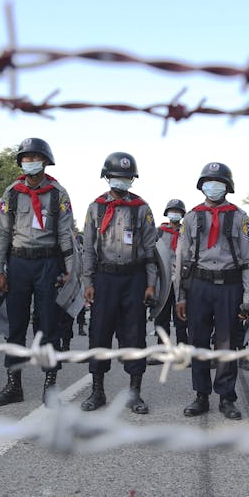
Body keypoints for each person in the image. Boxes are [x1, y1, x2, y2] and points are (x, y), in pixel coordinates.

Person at [0, 138, 75, 407]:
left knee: (48, 326)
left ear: (46, 161)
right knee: (15, 327)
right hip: (18, 264)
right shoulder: (11, 193)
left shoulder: (58, 194)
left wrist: (70, 269)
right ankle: (14, 384)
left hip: (48, 264)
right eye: (26, 157)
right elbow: (1, 234)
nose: (30, 161)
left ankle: (50, 385)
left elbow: (65, 233)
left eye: (35, 157)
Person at [174, 162, 249, 420]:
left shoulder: (240, 216)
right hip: (199, 285)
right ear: (201, 186)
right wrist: (181, 296)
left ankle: (226, 397)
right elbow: (181, 259)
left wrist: (247, 298)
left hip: (229, 286)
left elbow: (247, 260)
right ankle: (201, 395)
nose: (213, 187)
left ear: (228, 187)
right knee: (198, 341)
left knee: (227, 343)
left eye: (219, 182)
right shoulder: (190, 217)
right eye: (208, 182)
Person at [81, 152, 157, 415]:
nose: (121, 181)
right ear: (107, 177)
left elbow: (150, 251)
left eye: (126, 178)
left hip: (134, 278)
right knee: (99, 333)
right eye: (116, 177)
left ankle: (134, 393)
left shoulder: (142, 209)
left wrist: (150, 284)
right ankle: (97, 391)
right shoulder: (95, 208)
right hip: (104, 278)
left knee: (135, 334)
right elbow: (88, 249)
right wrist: (88, 281)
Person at [148, 198, 188, 366]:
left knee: (182, 319)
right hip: (162, 282)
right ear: (166, 213)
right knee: (161, 318)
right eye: (172, 211)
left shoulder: (187, 232)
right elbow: (152, 256)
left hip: (182, 282)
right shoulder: (158, 233)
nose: (175, 214)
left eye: (178, 211)